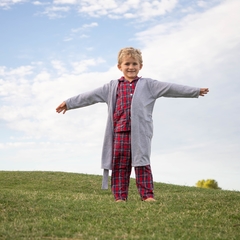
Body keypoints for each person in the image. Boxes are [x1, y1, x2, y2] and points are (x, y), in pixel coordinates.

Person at [56, 47, 209, 202]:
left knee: (142, 163)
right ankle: (120, 197)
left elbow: (170, 88)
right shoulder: (111, 87)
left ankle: (147, 196)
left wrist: (194, 91)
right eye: (127, 64)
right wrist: (68, 103)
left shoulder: (148, 85)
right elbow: (89, 96)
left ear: (140, 66)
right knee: (120, 165)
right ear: (119, 66)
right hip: (119, 133)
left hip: (140, 133)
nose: (131, 67)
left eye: (134, 64)